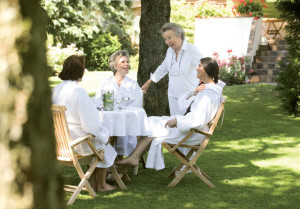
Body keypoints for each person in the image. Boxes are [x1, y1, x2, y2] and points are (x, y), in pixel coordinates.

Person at [117, 57, 222, 170]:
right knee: (150, 121)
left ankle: (126, 163)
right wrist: (194, 93)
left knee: (151, 126)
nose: (196, 68)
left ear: (206, 71)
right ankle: (131, 160)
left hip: (192, 133)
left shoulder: (209, 94)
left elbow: (198, 119)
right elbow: (184, 106)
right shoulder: (205, 91)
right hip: (189, 128)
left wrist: (178, 121)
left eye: (200, 66)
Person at [52, 55, 117, 191]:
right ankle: (101, 185)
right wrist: (105, 135)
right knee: (104, 145)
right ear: (80, 72)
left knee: (97, 141)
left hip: (58, 145)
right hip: (77, 145)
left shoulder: (54, 91)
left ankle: (94, 183)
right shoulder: (78, 92)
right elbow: (91, 125)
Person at [141, 22, 203, 116]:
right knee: (175, 125)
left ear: (179, 35)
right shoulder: (170, 51)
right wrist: (149, 81)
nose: (167, 42)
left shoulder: (192, 50)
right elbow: (164, 67)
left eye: (169, 38)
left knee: (187, 125)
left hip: (189, 95)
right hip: (173, 96)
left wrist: (207, 85)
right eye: (165, 39)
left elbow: (205, 67)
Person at [93, 50, 143, 159]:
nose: (126, 64)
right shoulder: (105, 83)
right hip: (108, 121)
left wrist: (123, 112)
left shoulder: (133, 84)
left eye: (127, 62)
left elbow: (138, 104)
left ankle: (117, 166)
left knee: (120, 129)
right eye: (123, 62)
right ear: (115, 66)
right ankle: (111, 164)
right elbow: (97, 101)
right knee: (109, 131)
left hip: (127, 122)